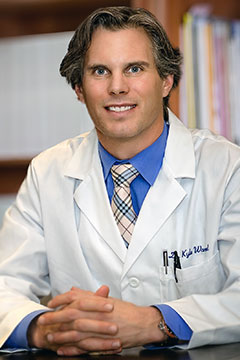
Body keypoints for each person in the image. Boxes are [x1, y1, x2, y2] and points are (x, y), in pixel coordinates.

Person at [0, 5, 240, 356]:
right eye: (100, 71)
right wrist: (44, 329)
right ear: (79, 89)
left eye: (134, 68)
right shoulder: (47, 172)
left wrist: (155, 321)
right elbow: (5, 284)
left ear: (166, 81)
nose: (117, 87)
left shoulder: (226, 168)